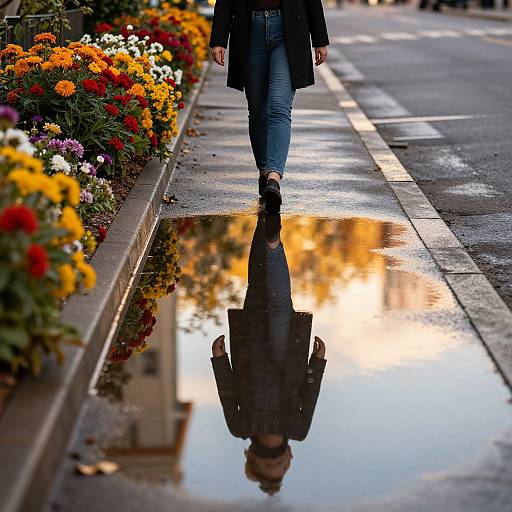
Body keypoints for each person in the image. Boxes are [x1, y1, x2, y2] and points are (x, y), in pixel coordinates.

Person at [210, 213, 327, 495]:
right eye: (281, 467)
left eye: (267, 465)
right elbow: (309, 395)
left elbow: (227, 393)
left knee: (257, 287)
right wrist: (317, 363)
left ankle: (266, 221)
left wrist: (220, 360)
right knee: (278, 302)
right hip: (287, 355)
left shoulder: (240, 427)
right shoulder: (297, 430)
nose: (275, 461)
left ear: (253, 458)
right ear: (289, 459)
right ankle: (273, 241)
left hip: (250, 351)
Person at [209, 0, 330, 213]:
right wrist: (219, 39)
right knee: (257, 112)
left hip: (288, 31)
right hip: (249, 30)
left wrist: (320, 39)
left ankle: (274, 177)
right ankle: (264, 172)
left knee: (279, 107)